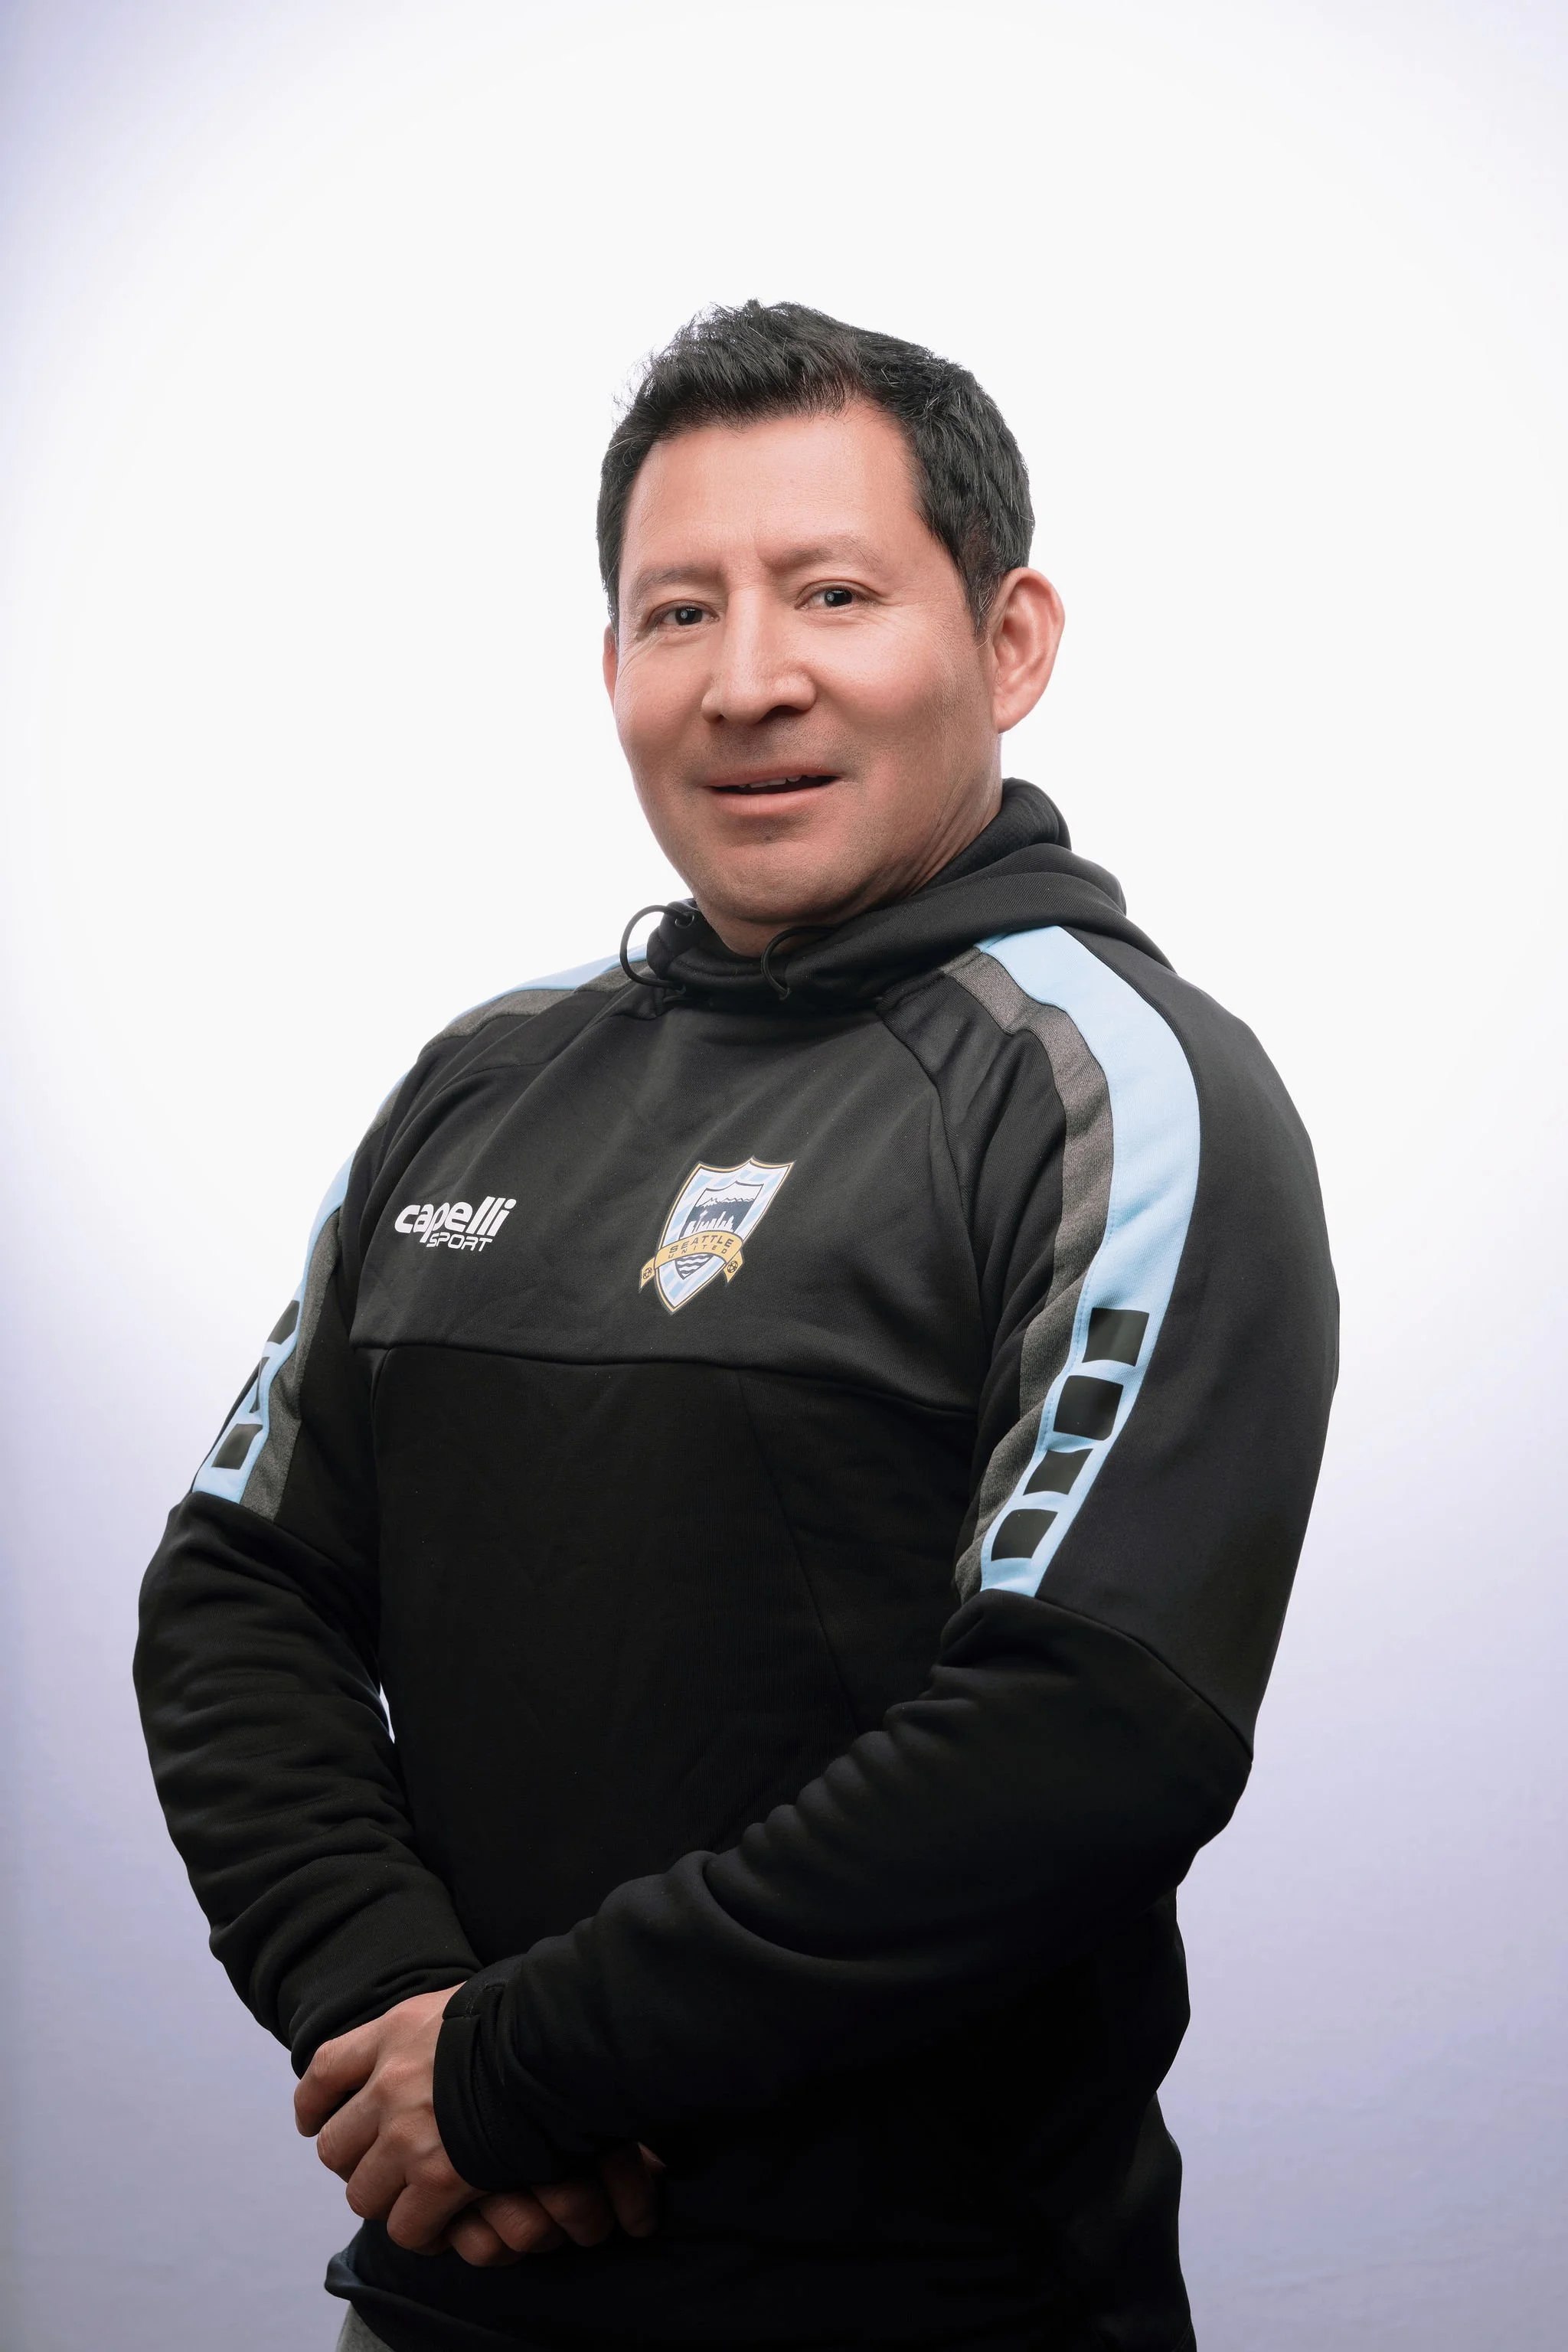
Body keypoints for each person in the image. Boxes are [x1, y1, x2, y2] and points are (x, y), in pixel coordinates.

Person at [136, 300, 1337, 2352]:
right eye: (676, 612)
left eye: (835, 594)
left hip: (937, 2315)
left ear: (1010, 642)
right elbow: (237, 1587)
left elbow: (1086, 1732)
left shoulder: (1127, 1094)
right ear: (611, 665)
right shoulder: (481, 1083)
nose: (748, 679)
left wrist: (520, 2070)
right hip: (449, 2294)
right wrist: (388, 2008)